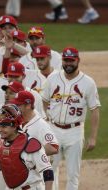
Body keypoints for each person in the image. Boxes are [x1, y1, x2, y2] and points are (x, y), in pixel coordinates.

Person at [41, 47, 101, 190]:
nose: (68, 63)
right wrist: (48, 117)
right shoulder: (53, 78)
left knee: (73, 175)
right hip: (53, 130)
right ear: (62, 61)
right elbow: (44, 99)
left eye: (71, 60)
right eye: (65, 60)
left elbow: (95, 110)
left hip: (74, 132)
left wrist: (92, 137)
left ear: (77, 60)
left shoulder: (88, 82)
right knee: (48, 170)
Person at [0, 104, 54, 190]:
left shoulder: (30, 144)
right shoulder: (0, 145)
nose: (0, 129)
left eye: (4, 126)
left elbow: (47, 171)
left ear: (15, 125)